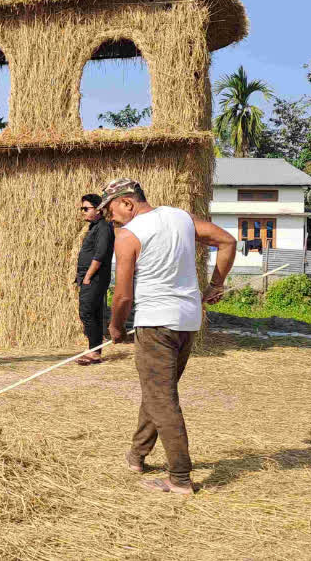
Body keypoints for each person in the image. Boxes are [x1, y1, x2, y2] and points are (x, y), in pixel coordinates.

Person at [102, 177, 236, 495]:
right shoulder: (181, 217)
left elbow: (122, 296)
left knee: (162, 398)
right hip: (188, 322)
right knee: (159, 390)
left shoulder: (129, 236)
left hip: (155, 325)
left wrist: (116, 327)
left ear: (127, 202)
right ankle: (137, 455)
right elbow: (228, 241)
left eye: (111, 211)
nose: (111, 219)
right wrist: (216, 285)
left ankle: (179, 477)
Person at [75, 193, 115, 366]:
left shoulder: (104, 228)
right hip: (90, 278)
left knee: (87, 312)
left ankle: (94, 350)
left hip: (94, 278)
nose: (83, 211)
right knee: (94, 312)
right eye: (82, 208)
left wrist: (88, 276)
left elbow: (100, 254)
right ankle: (95, 350)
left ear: (99, 209)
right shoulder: (94, 227)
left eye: (86, 208)